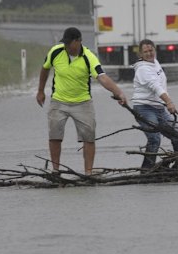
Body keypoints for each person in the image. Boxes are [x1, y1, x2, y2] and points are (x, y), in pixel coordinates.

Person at [36, 27, 127, 175]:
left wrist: (119, 92)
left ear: (78, 41)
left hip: (83, 103)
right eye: (64, 43)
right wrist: (40, 91)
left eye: (69, 43)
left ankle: (88, 173)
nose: (66, 46)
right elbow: (45, 68)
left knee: (89, 138)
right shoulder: (56, 52)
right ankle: (55, 170)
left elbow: (102, 77)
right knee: (54, 136)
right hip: (58, 101)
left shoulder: (89, 56)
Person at [132, 39, 178, 170]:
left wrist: (164, 104)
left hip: (159, 108)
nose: (149, 54)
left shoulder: (155, 62)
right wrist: (169, 102)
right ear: (140, 54)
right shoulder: (143, 69)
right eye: (145, 52)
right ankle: (146, 171)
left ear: (154, 50)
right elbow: (156, 87)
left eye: (151, 50)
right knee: (155, 138)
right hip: (144, 108)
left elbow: (161, 85)